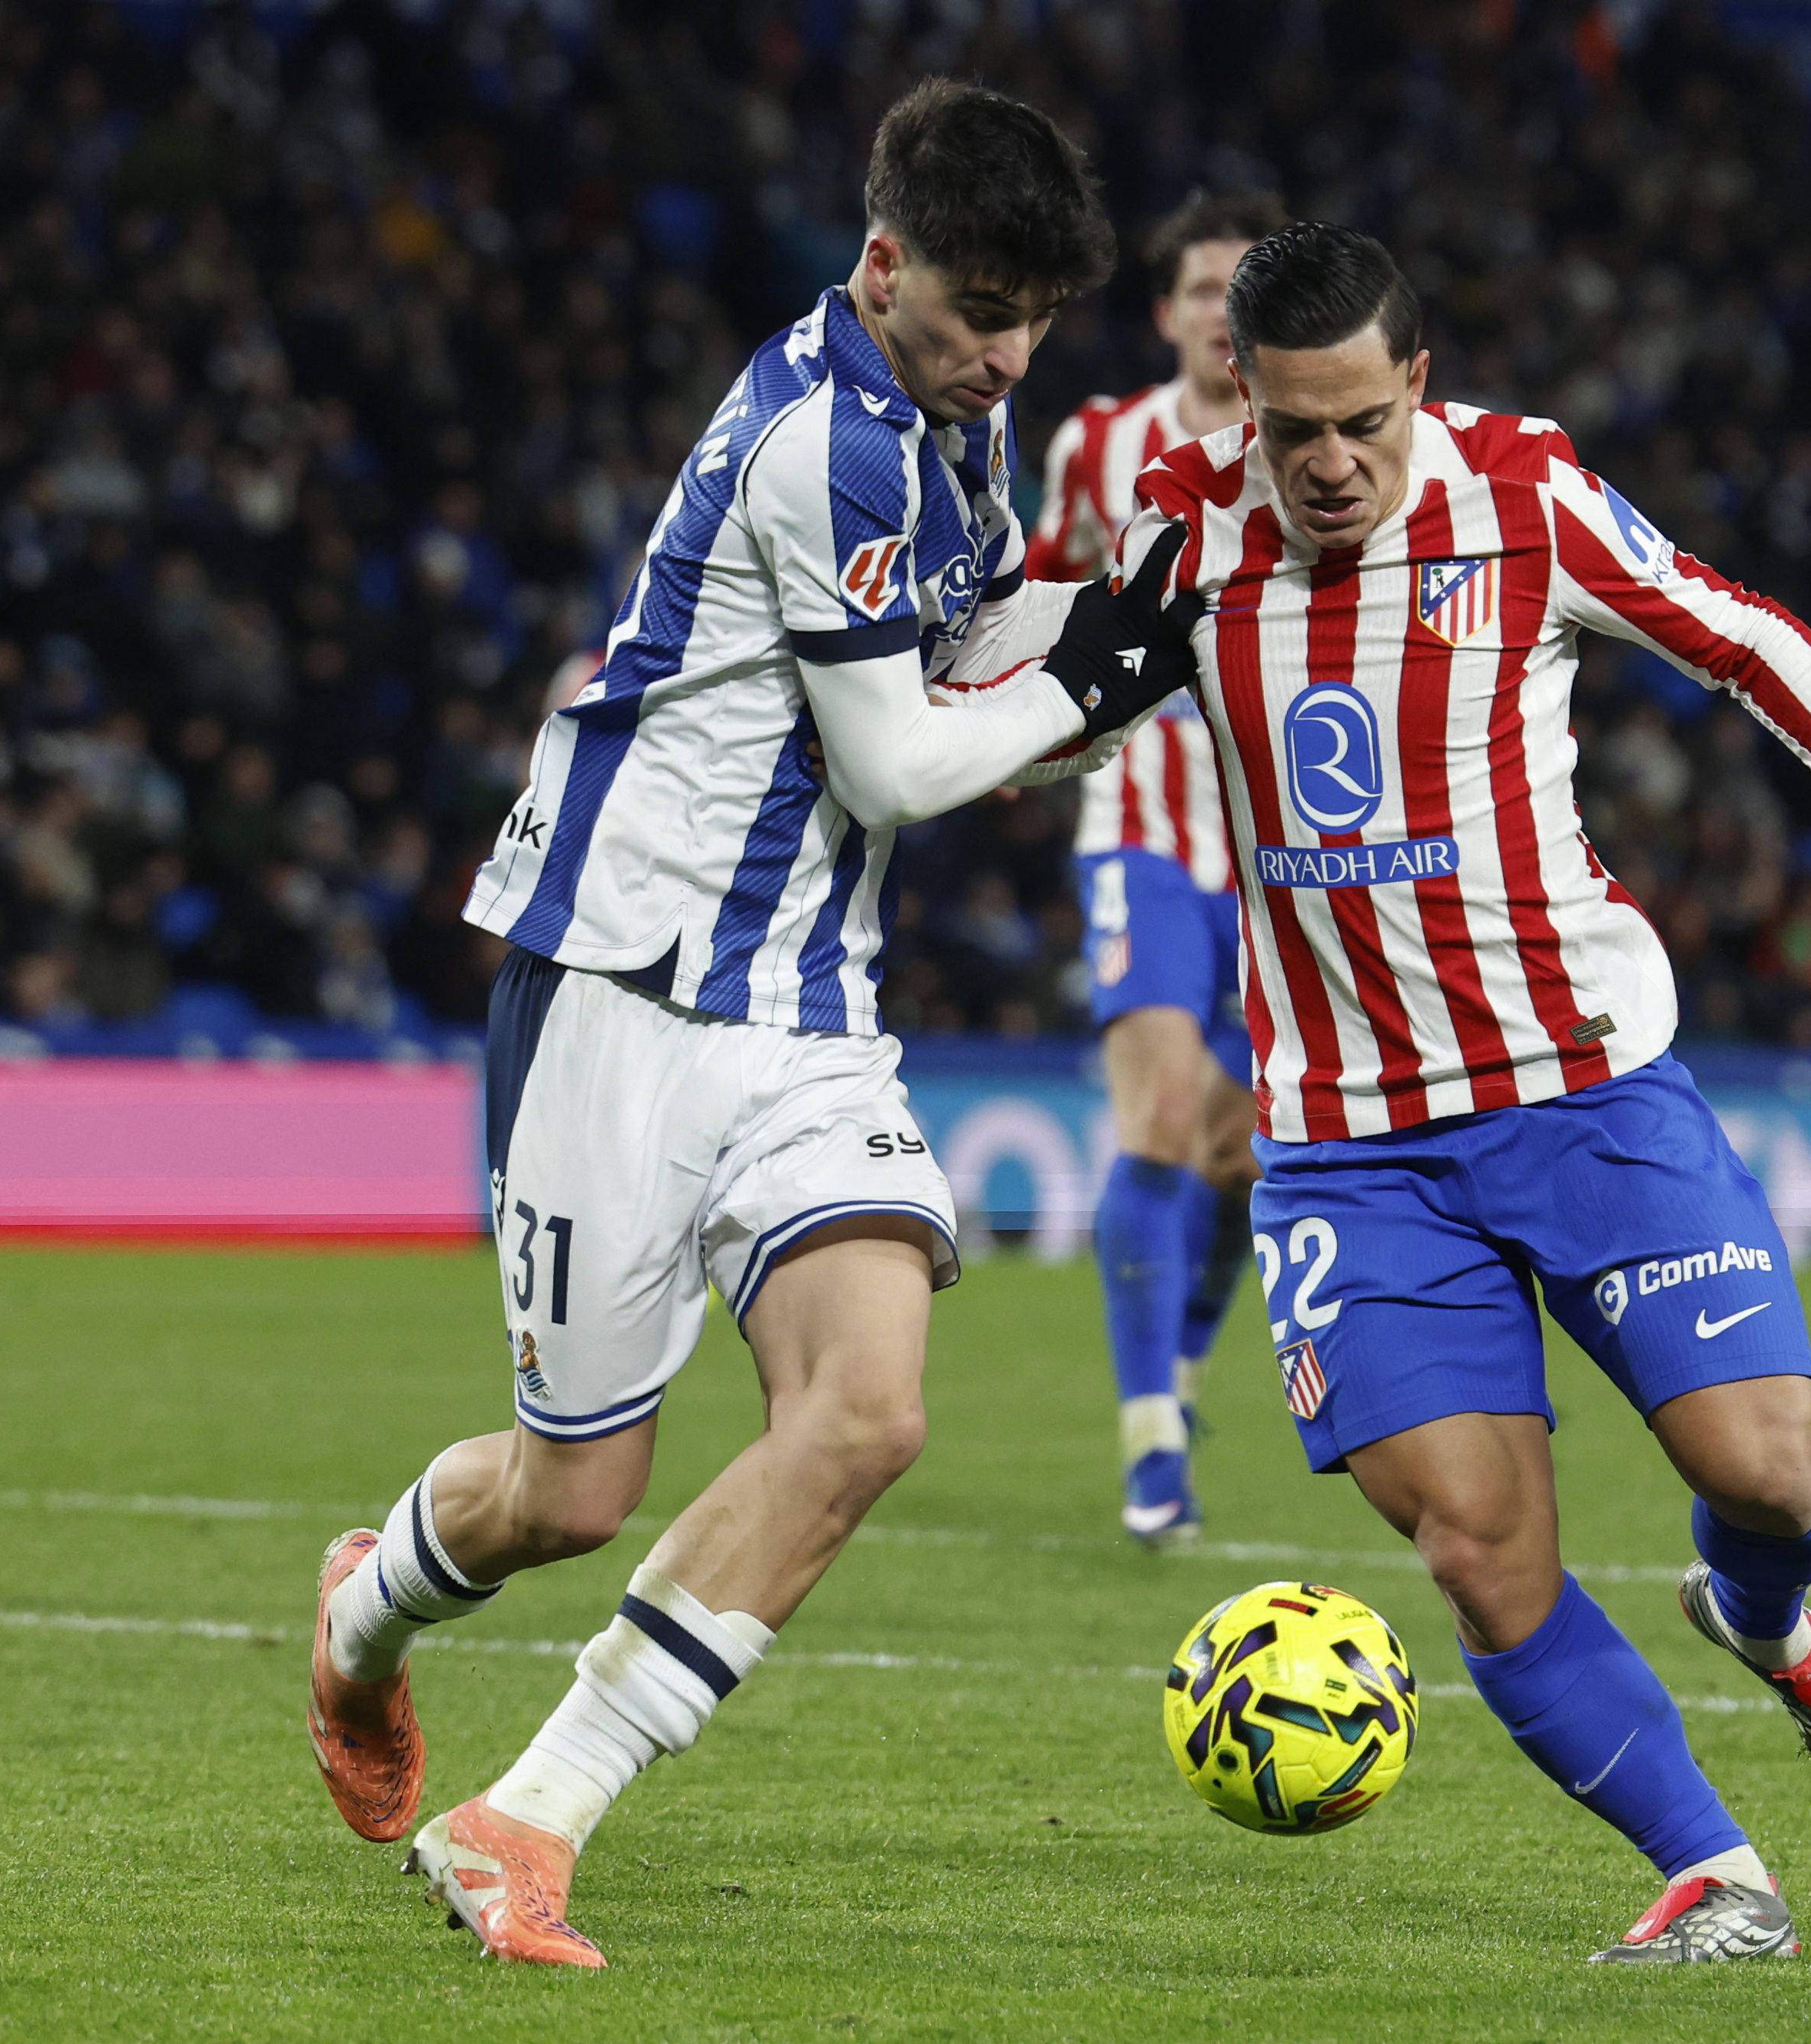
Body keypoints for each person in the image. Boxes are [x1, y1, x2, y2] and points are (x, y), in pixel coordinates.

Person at [301, 80, 1192, 1969]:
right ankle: (364, 1610)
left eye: (1035, 321)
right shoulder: (822, 445)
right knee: (568, 1496)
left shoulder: (956, 417)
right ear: (882, 265)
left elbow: (963, 655)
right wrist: (1096, 680)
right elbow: (894, 763)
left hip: (804, 1012)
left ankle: (525, 1818)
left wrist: (1118, 636)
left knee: (866, 1410)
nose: (1008, 356)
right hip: (617, 990)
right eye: (979, 314)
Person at [1108, 224, 1811, 1963]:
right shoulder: (1179, 529)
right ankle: (1715, 1874)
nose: (1329, 463)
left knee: (1766, 1472)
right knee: (1478, 1545)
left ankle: (1764, 1617)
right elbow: (1030, 688)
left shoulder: (1525, 498)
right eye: (1294, 429)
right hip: (1352, 1152)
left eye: (1364, 423)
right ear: (1242, 397)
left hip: (1584, 1088)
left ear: (1418, 384)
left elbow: (1728, 630)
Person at [1027, 190, 1287, 1545]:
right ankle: (1149, 1447)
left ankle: (1178, 1376)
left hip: (1285, 845)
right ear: (1167, 313)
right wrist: (1012, 725)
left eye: (1246, 295)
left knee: (1251, 1154)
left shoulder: (1323, 455)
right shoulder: (1101, 446)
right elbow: (1044, 593)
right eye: (1201, 291)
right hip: (1141, 823)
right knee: (1161, 1112)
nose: (1219, 317)